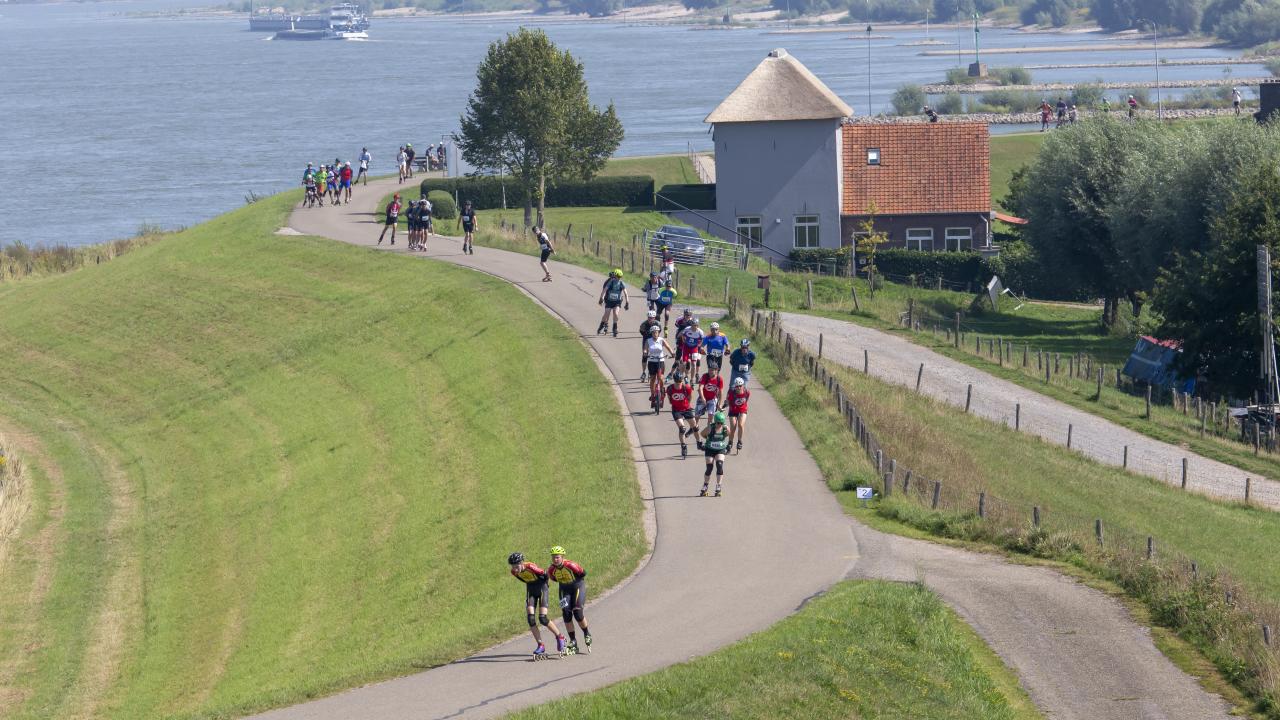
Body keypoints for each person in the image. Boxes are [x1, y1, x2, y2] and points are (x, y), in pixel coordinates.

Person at [508, 552, 568, 659]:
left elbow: (545, 575)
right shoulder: (514, 572)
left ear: (522, 563)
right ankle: (540, 645)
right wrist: (530, 583)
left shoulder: (531, 567)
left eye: (517, 566)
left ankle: (560, 637)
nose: (515, 569)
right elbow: (523, 579)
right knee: (531, 619)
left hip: (542, 588)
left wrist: (543, 586)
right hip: (531, 590)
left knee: (543, 618)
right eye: (513, 567)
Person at [548, 546, 591, 654]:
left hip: (577, 587)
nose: (555, 559)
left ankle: (586, 633)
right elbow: (553, 579)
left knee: (577, 612)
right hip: (564, 590)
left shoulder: (571, 565)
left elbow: (583, 573)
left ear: (562, 557)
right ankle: (573, 641)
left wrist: (575, 583)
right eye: (553, 557)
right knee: (566, 614)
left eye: (557, 557)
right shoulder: (551, 570)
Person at [698, 411, 731, 496]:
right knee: (709, 467)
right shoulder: (710, 428)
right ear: (715, 421)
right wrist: (708, 440)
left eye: (721, 423)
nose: (719, 424)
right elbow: (702, 434)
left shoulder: (725, 428)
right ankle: (705, 486)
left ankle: (718, 486)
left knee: (719, 465)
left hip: (720, 449)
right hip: (710, 449)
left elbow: (728, 434)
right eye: (718, 423)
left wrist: (725, 444)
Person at [645, 325, 676, 411]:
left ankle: (661, 390)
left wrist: (672, 353)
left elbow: (668, 347)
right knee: (652, 379)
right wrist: (645, 353)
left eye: (657, 332)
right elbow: (645, 349)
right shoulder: (648, 341)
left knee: (661, 378)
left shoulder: (661, 340)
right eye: (654, 332)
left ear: (659, 333)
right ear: (651, 333)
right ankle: (652, 394)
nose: (655, 334)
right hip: (651, 361)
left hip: (660, 361)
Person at [667, 371, 697, 457]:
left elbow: (690, 397)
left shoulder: (686, 388)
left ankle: (698, 442)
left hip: (686, 409)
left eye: (680, 382)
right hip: (676, 410)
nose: (678, 384)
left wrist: (687, 404)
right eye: (677, 382)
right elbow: (670, 400)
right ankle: (683, 446)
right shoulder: (669, 389)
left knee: (695, 426)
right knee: (682, 429)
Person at [695, 362, 724, 443]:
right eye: (709, 369)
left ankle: (709, 435)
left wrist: (720, 404)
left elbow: (721, 392)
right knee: (696, 417)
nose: (710, 371)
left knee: (710, 418)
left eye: (713, 370)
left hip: (712, 399)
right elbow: (700, 388)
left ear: (717, 370)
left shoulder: (719, 379)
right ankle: (694, 429)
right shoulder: (705, 376)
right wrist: (703, 399)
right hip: (702, 398)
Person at [597, 269, 629, 337]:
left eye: (620, 277)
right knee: (606, 314)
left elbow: (626, 293)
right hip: (609, 300)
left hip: (617, 301)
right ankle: (602, 325)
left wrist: (627, 302)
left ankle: (615, 328)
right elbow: (604, 290)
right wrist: (601, 298)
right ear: (615, 276)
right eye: (618, 276)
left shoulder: (621, 283)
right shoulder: (610, 282)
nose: (618, 278)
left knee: (616, 313)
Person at [725, 377, 750, 451]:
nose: (738, 387)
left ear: (743, 385)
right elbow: (728, 401)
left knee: (741, 425)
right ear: (734, 386)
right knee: (733, 426)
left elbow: (746, 400)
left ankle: (739, 441)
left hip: (742, 409)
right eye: (737, 386)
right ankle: (730, 442)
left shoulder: (747, 392)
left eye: (740, 386)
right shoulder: (731, 392)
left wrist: (742, 408)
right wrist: (728, 405)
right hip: (733, 409)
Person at [639, 310, 662, 381]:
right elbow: (642, 332)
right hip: (646, 339)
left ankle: (652, 370)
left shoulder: (658, 324)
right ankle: (643, 372)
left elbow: (659, 332)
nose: (650, 319)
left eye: (652, 318)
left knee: (655, 354)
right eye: (649, 317)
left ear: (654, 318)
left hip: (654, 340)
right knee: (645, 355)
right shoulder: (644, 324)